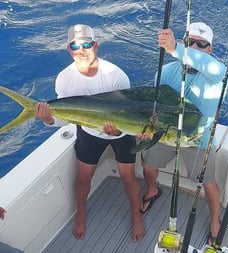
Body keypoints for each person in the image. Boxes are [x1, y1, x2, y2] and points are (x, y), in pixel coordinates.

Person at [35, 24, 145, 241]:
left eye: (86, 44)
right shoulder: (64, 79)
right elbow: (64, 119)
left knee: (128, 177)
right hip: (88, 133)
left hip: (120, 134)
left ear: (96, 45)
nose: (82, 50)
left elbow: (128, 116)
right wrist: (48, 120)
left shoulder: (116, 76)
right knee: (84, 177)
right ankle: (81, 214)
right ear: (69, 49)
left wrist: (115, 133)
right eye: (75, 45)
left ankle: (136, 216)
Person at [140, 22, 227, 246]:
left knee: (208, 183)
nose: (196, 47)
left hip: (199, 140)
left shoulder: (215, 74)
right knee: (148, 165)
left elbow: (217, 69)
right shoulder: (165, 72)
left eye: (202, 44)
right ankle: (152, 190)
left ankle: (215, 220)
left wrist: (176, 48)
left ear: (210, 49)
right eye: (191, 42)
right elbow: (154, 108)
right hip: (166, 134)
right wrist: (147, 129)